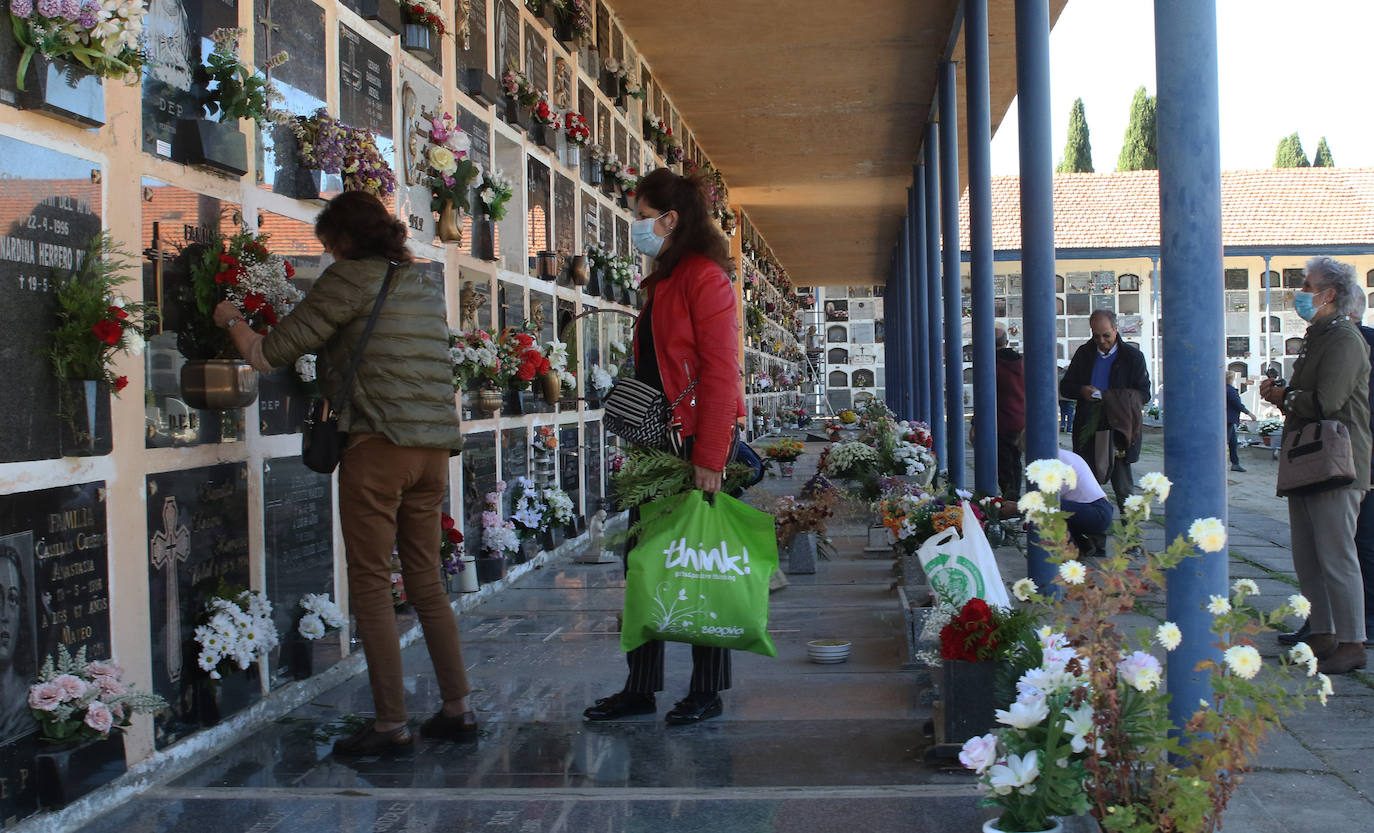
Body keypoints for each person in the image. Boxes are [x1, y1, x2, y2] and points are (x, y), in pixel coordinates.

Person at [213, 192, 471, 753]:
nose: (326, 253)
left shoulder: (348, 278)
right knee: (427, 582)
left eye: (327, 243)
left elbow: (267, 354)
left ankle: (389, 724)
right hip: (431, 454)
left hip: (378, 448)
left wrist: (232, 318)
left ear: (344, 240)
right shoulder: (422, 285)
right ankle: (458, 708)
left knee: (373, 585)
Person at [582, 168, 744, 726]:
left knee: (701, 565)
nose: (636, 226)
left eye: (642, 216)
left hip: (691, 443)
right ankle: (641, 686)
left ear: (670, 220)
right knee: (644, 564)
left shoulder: (704, 278)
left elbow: (723, 372)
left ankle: (707, 689)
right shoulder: (664, 279)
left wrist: (711, 458)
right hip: (656, 444)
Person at [1260, 256, 1371, 675]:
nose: (1301, 294)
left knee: (1338, 556)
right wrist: (1287, 394)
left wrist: (1282, 397)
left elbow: (1328, 401)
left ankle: (1351, 641)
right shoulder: (1319, 334)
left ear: (1330, 294)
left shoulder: (1344, 338)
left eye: (1309, 286)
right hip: (1310, 460)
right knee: (1309, 556)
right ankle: (1323, 632)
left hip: (1337, 461)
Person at [1059, 310, 1151, 511]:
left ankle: (1131, 537)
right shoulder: (1084, 354)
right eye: (1096, 335)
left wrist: (1113, 397)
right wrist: (1082, 390)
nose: (1101, 341)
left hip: (1119, 428)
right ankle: (1092, 537)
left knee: (1124, 488)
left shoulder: (1132, 357)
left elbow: (1144, 394)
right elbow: (1065, 387)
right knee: (1085, 485)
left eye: (1106, 335)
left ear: (1116, 330)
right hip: (1088, 425)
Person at [1056, 448, 1114, 558]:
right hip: (1101, 508)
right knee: (1057, 508)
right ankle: (1082, 545)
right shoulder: (1066, 455)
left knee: (1048, 508)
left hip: (1095, 511)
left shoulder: (1056, 460)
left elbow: (1049, 496)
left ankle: (1071, 554)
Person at [994, 325, 1026, 500]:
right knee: (1016, 462)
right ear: (1006, 342)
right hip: (1020, 420)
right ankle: (1015, 497)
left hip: (1001, 421)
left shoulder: (992, 364)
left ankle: (1010, 501)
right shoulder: (1021, 362)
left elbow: (987, 395)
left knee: (1004, 465)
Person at [1226, 372, 1256, 472]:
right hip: (1229, 420)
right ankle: (1231, 463)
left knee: (1233, 442)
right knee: (1227, 442)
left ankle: (1235, 463)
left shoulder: (1223, 389)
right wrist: (1249, 414)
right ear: (1231, 379)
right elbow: (1237, 404)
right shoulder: (1230, 390)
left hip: (1227, 419)